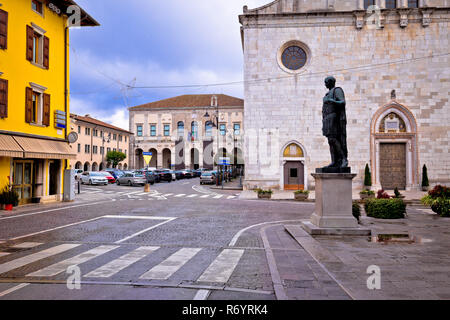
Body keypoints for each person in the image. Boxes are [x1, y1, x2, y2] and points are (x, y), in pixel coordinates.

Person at [322, 76, 348, 168]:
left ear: (331, 82)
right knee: (330, 141)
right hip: (327, 119)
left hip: (334, 118)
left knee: (334, 139)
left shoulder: (337, 90)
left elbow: (342, 102)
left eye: (326, 82)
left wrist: (331, 101)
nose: (325, 84)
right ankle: (334, 161)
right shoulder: (327, 94)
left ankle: (343, 159)